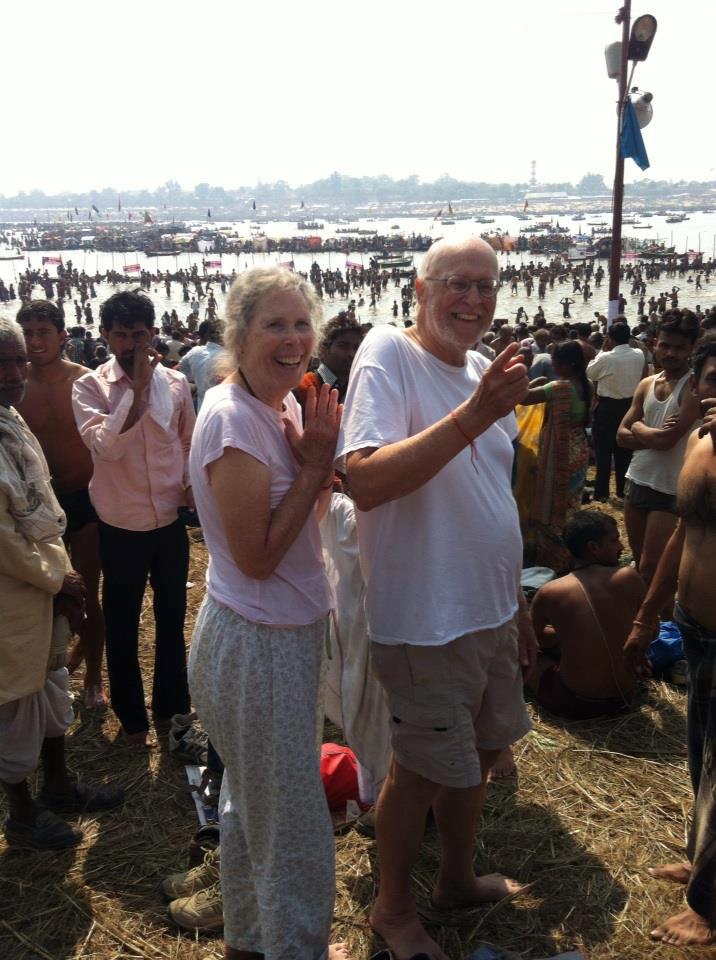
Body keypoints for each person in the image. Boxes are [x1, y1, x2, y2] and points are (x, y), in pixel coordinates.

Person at [338, 237, 535, 960]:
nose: (475, 300)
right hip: (425, 616)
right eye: (458, 283)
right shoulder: (389, 354)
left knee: (479, 755)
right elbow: (362, 480)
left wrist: (511, 598)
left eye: (488, 286)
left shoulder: (484, 368)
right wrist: (474, 415)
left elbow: (487, 489)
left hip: (487, 608)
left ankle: (456, 876)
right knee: (417, 770)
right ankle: (392, 908)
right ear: (419, 289)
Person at [187, 268, 351, 960]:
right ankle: (296, 947)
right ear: (239, 334)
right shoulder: (232, 419)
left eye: (301, 324)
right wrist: (315, 469)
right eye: (274, 325)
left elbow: (304, 528)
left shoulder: (280, 407)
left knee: (251, 804)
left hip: (274, 629)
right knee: (290, 822)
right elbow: (257, 556)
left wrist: (319, 467)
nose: (293, 340)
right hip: (257, 638)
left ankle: (251, 941)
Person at [0, 318, 123, 851]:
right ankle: (22, 815)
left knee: (50, 687)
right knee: (14, 702)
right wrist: (60, 578)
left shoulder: (9, 419)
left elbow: (40, 498)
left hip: (43, 584)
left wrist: (61, 579)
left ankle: (57, 785)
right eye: (1, 364)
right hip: (12, 596)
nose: (13, 374)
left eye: (18, 360)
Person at [624, 332, 716, 947]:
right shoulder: (700, 441)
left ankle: (709, 907)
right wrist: (649, 613)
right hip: (694, 624)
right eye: (714, 380)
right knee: (700, 751)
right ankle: (702, 857)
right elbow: (687, 531)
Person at [72, 290, 195, 749]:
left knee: (171, 617)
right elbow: (104, 446)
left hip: (167, 520)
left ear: (151, 334)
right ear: (106, 336)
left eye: (138, 335)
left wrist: (186, 485)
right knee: (122, 623)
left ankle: (171, 710)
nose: (130, 345)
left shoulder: (177, 384)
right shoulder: (89, 387)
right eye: (121, 335)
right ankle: (133, 724)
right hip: (120, 524)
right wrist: (137, 394)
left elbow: (186, 442)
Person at [15, 300, 106, 709]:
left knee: (87, 594)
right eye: (28, 333)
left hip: (84, 500)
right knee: (44, 595)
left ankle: (94, 678)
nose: (35, 341)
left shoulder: (85, 381)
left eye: (42, 332)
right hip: (36, 507)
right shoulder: (14, 384)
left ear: (62, 336)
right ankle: (52, 670)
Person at [528, 510, 644, 719]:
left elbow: (528, 644)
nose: (621, 547)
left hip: (574, 702)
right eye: (614, 541)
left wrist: (562, 635)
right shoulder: (629, 577)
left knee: (530, 660)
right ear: (593, 548)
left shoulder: (551, 591)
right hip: (625, 698)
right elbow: (649, 631)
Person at [617, 310, 701, 586]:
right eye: (665, 345)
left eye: (679, 347)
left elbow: (666, 443)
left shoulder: (693, 388)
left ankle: (662, 625)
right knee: (640, 563)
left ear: (691, 348)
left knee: (656, 569)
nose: (670, 353)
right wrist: (647, 433)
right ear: (655, 343)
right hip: (638, 479)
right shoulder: (647, 384)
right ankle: (650, 624)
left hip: (671, 489)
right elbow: (620, 435)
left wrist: (638, 427)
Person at [518, 340, 592, 570]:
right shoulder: (587, 385)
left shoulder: (559, 388)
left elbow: (523, 398)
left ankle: (553, 557)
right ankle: (569, 553)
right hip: (579, 449)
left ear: (567, 364)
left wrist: (535, 381)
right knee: (569, 504)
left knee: (551, 504)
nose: (554, 366)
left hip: (559, 451)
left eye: (556, 362)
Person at [587, 320, 646, 501]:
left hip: (607, 407)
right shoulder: (639, 354)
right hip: (629, 407)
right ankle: (622, 491)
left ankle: (602, 492)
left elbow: (590, 373)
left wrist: (603, 351)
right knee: (624, 451)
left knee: (603, 451)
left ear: (610, 339)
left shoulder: (606, 357)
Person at [295, 312, 364, 411]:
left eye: (357, 348)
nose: (351, 354)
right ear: (324, 349)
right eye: (343, 346)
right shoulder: (303, 388)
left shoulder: (359, 389)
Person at [178, 320, 224, 410]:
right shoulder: (229, 357)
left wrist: (195, 378)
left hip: (201, 406)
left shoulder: (195, 351)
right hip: (220, 409)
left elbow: (182, 366)